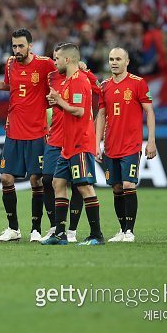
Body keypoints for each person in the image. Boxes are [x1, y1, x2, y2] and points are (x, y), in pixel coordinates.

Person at [0, 28, 55, 242]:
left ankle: (36, 229)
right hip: (13, 131)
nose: (17, 50)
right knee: (6, 178)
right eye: (14, 46)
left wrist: (80, 67)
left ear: (30, 46)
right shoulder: (10, 63)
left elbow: (64, 74)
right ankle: (13, 228)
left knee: (36, 180)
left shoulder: (45, 63)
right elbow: (10, 86)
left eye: (21, 46)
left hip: (37, 131)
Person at [41, 43, 104, 246]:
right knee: (57, 183)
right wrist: (57, 102)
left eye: (57, 58)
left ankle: (96, 235)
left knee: (84, 187)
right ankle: (59, 233)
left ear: (67, 59)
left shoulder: (79, 81)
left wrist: (59, 102)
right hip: (67, 146)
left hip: (80, 143)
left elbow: (79, 111)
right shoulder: (68, 82)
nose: (55, 62)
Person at [95, 47, 157, 242]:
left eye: (118, 59)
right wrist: (96, 143)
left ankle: (129, 231)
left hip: (131, 145)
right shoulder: (105, 85)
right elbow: (102, 115)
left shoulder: (138, 83)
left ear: (127, 61)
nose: (114, 62)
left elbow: (149, 112)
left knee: (129, 184)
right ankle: (122, 230)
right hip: (111, 145)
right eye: (111, 59)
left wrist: (151, 141)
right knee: (116, 188)